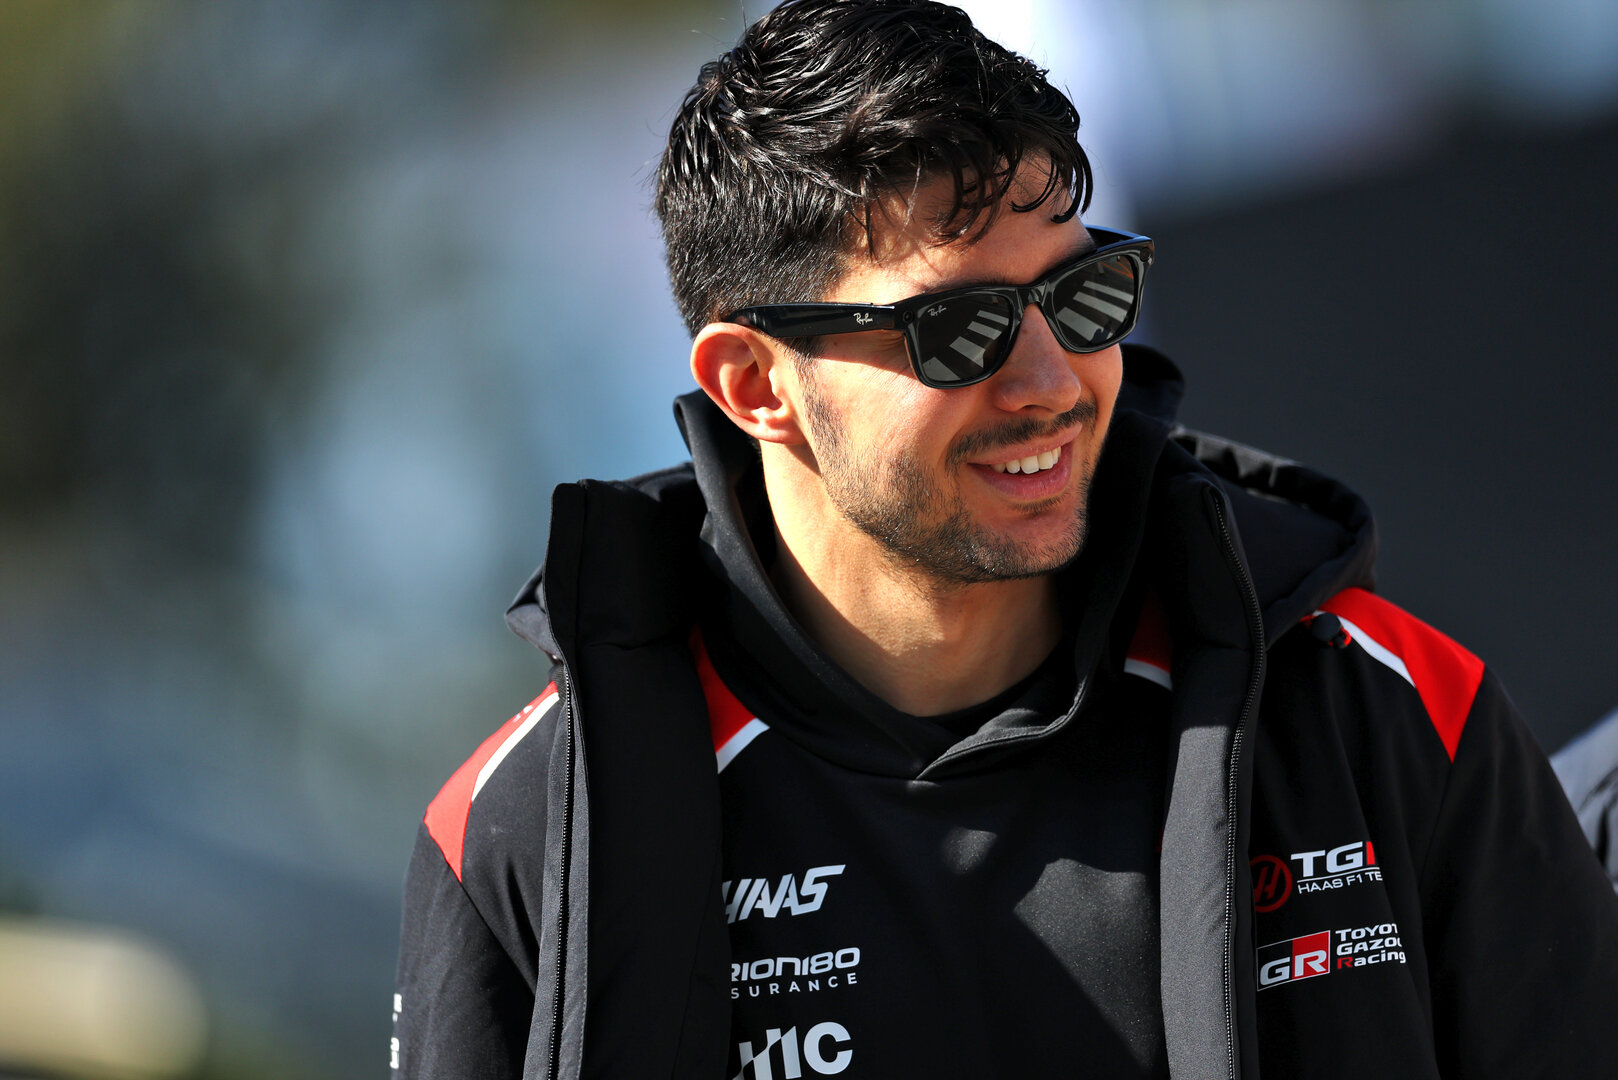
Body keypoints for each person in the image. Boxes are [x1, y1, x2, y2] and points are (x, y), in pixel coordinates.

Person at [391, 2, 1618, 1077]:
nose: (1050, 383)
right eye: (960, 331)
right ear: (755, 385)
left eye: (1082, 299)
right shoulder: (523, 832)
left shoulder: (1392, 709)